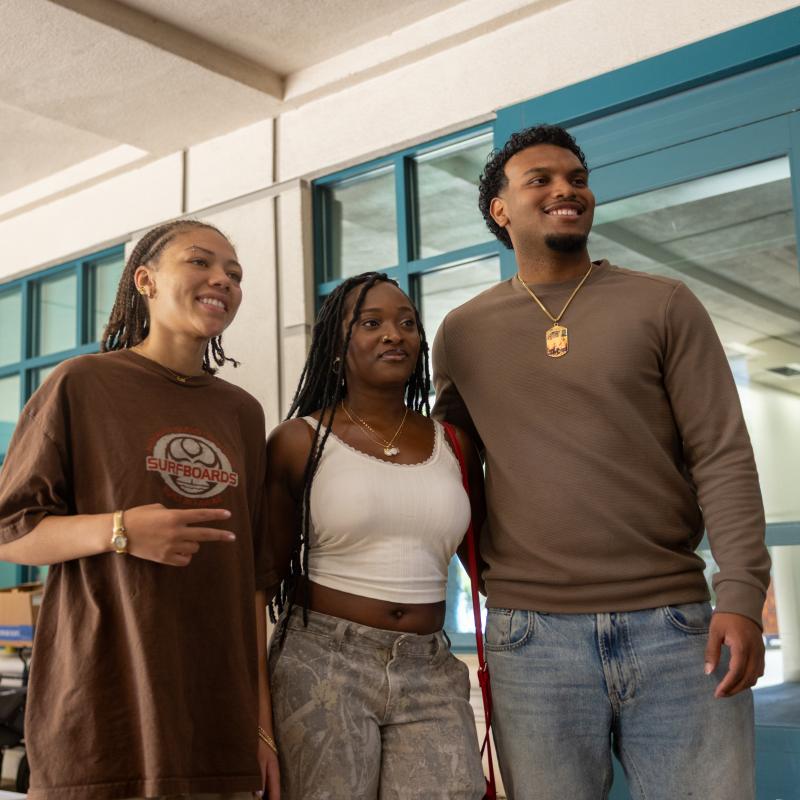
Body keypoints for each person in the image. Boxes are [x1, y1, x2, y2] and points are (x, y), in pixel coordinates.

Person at [431, 124, 770, 800]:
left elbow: (722, 453)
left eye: (577, 179)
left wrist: (742, 594)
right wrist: (492, 575)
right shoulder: (463, 333)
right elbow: (451, 470)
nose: (567, 190)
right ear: (500, 210)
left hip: (676, 627)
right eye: (542, 180)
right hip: (531, 640)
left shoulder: (664, 303)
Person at [0, 220, 280, 800]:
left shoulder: (243, 413)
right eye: (201, 263)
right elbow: (10, 530)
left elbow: (253, 583)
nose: (222, 280)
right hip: (102, 713)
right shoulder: (82, 384)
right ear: (146, 280)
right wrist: (121, 530)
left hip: (214, 719)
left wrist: (261, 726)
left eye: (235, 274)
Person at [265, 271, 486, 800]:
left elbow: (489, 566)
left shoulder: (453, 442)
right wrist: (253, 718)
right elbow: (258, 583)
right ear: (337, 347)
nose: (395, 334)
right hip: (321, 661)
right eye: (372, 323)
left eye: (407, 323)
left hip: (429, 664)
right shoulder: (299, 441)